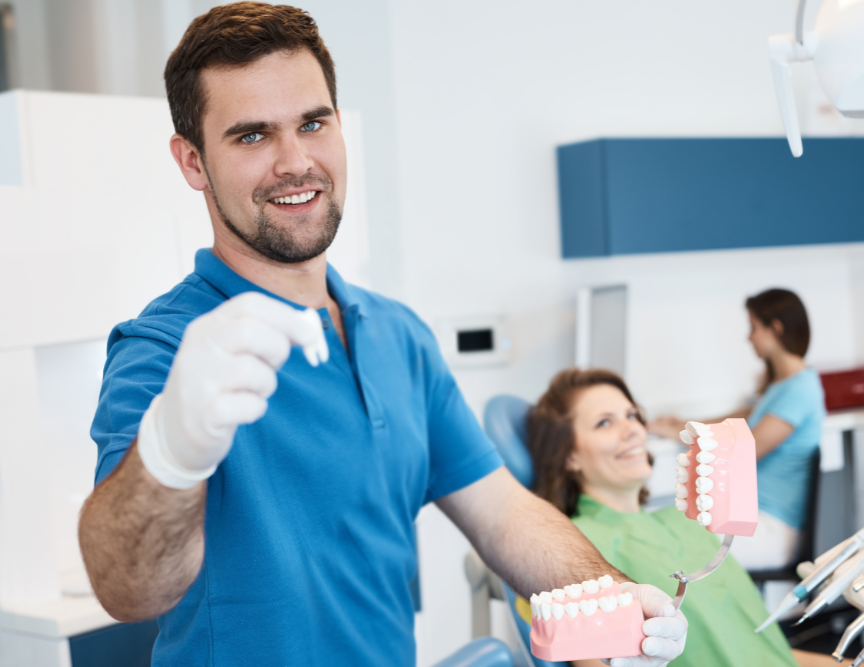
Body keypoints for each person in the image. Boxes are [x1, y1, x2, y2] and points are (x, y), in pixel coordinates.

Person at [76, 4, 685, 665]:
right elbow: (126, 588)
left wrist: (617, 595)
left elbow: (503, 513)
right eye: (252, 136)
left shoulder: (398, 336)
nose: (294, 161)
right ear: (193, 161)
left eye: (313, 123)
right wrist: (172, 449)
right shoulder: (166, 349)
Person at [527, 368, 864, 667]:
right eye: (605, 422)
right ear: (568, 454)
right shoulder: (574, 547)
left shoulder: (687, 524)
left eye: (633, 415)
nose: (632, 430)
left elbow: (763, 655)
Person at [650, 288, 825, 570]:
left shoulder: (799, 390)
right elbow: (733, 421)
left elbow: (742, 455)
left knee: (671, 537)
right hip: (751, 518)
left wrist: (683, 434)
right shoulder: (779, 386)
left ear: (775, 328)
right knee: (665, 525)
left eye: (753, 327)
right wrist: (682, 424)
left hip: (771, 530)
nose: (749, 337)